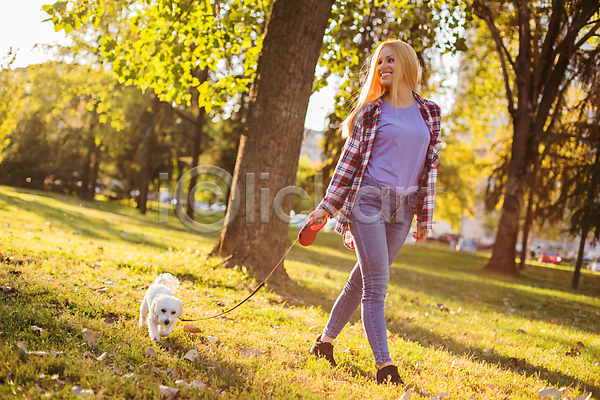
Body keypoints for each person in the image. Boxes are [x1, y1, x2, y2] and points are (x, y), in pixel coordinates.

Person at [307, 39, 441, 385]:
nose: (383, 67)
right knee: (376, 285)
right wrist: (327, 206)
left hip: (404, 209)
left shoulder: (430, 112)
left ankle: (324, 343)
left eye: (391, 60)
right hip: (367, 203)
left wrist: (424, 217)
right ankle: (385, 367)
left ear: (408, 65)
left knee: (359, 281)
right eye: (379, 62)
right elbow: (347, 165)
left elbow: (429, 167)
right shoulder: (371, 112)